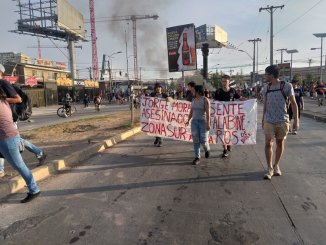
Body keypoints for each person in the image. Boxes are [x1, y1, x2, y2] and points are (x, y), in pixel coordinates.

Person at [0, 64, 47, 178]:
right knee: (15, 141)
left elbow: (18, 99)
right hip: (4, 120)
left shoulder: (4, 83)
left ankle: (39, 152)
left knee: (16, 141)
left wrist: (3, 100)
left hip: (9, 119)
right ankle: (39, 152)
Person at [0, 87, 40, 203]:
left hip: (7, 140)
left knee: (20, 166)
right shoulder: (4, 102)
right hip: (10, 136)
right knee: (19, 165)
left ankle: (34, 189)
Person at [262, 65, 299, 180]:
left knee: (280, 143)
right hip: (269, 120)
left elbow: (293, 103)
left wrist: (296, 121)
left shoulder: (286, 86)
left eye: (266, 74)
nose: (265, 76)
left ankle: (276, 165)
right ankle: (269, 168)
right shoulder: (266, 88)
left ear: (271, 75)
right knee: (268, 143)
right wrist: (263, 119)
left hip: (283, 120)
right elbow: (265, 105)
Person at [213, 74, 241, 158]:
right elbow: (214, 103)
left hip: (231, 116)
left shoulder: (232, 91)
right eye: (222, 81)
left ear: (229, 82)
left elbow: (239, 98)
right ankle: (224, 149)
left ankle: (228, 144)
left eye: (225, 81)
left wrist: (251, 101)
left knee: (229, 132)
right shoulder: (218, 91)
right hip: (221, 116)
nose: (223, 83)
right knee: (223, 132)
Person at [186, 85, 211, 165]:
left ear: (198, 91)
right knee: (196, 140)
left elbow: (208, 113)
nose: (192, 92)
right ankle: (197, 157)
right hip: (194, 123)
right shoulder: (193, 100)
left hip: (203, 123)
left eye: (193, 91)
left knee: (203, 141)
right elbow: (191, 111)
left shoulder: (205, 100)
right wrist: (188, 120)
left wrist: (208, 123)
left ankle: (207, 149)